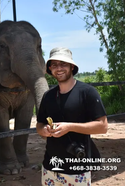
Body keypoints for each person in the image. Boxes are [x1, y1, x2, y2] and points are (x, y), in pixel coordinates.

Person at [36, 47, 108, 186]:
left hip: (77, 169)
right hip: (50, 168)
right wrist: (44, 130)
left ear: (72, 67)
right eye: (54, 65)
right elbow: (39, 125)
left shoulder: (87, 92)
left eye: (63, 64)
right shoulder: (48, 96)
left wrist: (69, 127)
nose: (59, 68)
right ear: (50, 69)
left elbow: (103, 126)